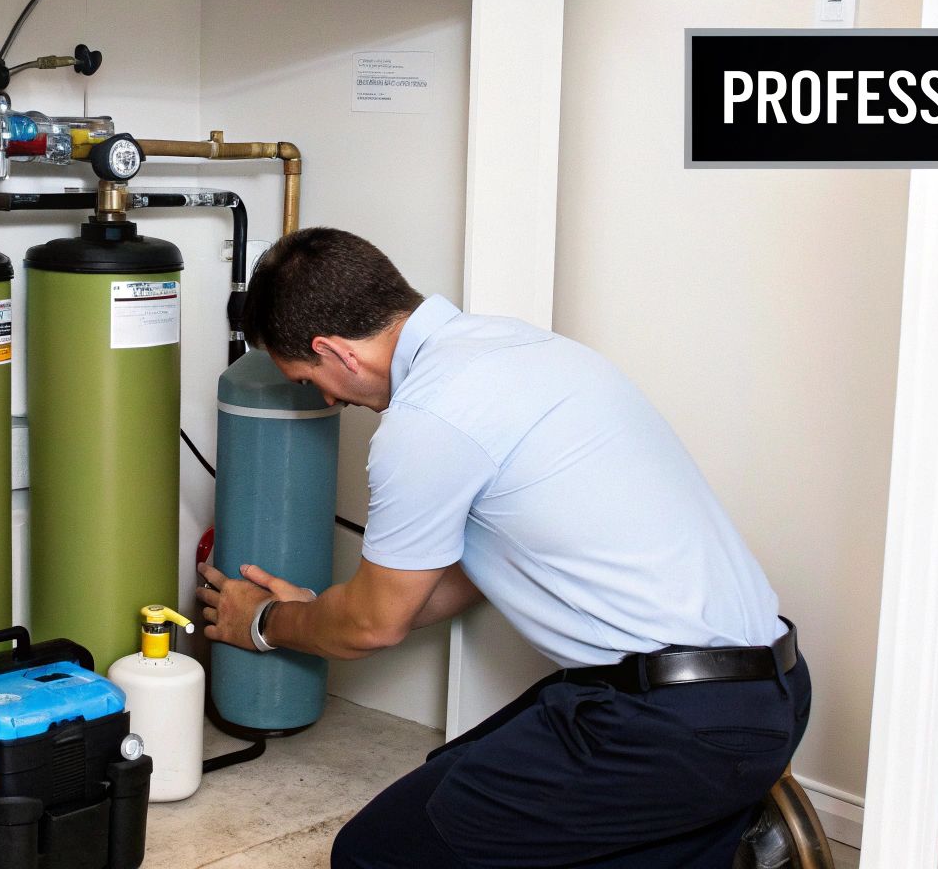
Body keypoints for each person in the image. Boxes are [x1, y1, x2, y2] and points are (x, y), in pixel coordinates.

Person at [195, 227, 809, 868]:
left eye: (307, 378)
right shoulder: (523, 349)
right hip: (773, 691)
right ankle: (727, 832)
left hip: (669, 726)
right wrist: (323, 610)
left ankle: (730, 834)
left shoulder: (428, 419)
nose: (323, 398)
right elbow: (458, 577)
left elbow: (373, 628)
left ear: (336, 352)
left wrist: (264, 622)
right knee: (453, 779)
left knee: (375, 856)